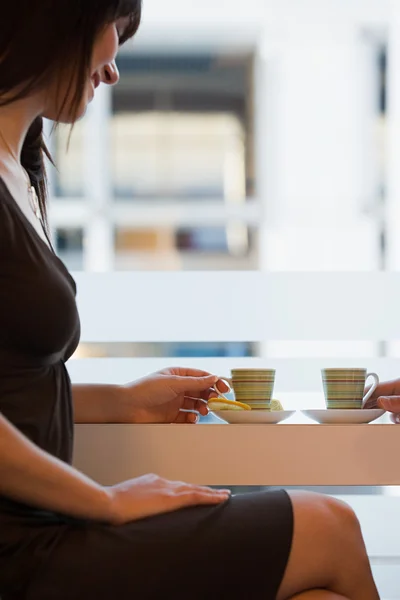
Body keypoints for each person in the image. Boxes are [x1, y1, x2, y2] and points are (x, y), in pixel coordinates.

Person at [0, 2, 380, 599]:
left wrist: (123, 401)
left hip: (46, 527)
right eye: (114, 31)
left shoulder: (19, 175)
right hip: (22, 549)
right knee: (331, 525)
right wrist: (105, 502)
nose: (114, 67)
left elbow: (14, 390)